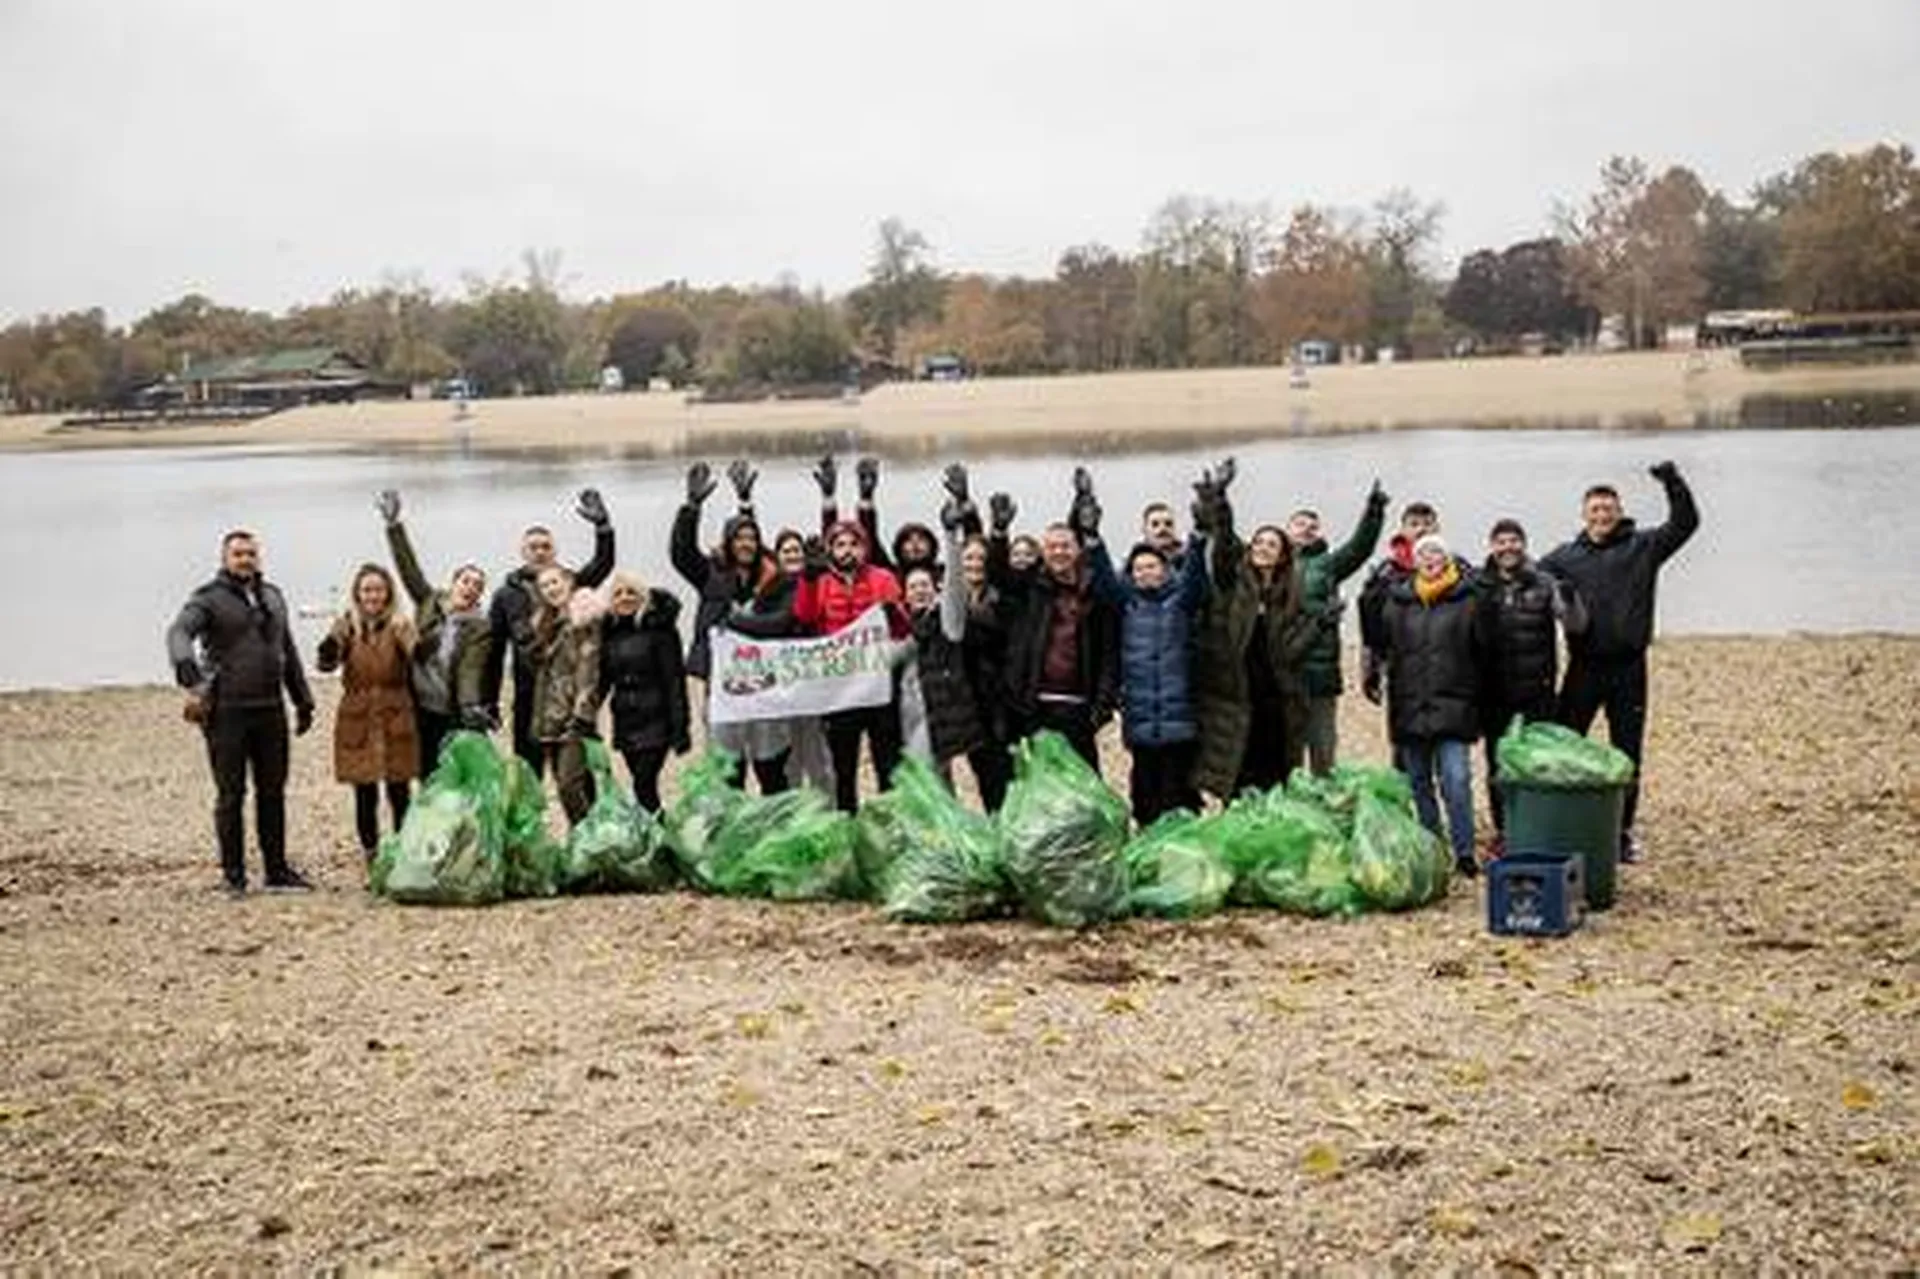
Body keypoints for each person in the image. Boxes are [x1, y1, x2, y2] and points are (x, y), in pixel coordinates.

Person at [1540, 461, 1700, 863]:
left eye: (1607, 509)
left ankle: (1622, 832)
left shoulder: (1643, 547)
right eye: (1594, 510)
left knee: (1627, 752)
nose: (1601, 516)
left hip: (1629, 667)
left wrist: (1672, 482)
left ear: (1619, 511)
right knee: (1564, 744)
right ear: (1584, 514)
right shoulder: (1564, 557)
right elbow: (1525, 576)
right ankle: (1564, 819)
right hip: (1583, 667)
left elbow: (1685, 524)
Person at [167, 530, 316, 896]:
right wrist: (188, 672)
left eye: (251, 553)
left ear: (258, 557)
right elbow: (178, 632)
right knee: (230, 795)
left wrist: (302, 698)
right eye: (238, 554)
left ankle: (277, 872)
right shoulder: (208, 600)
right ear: (225, 558)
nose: (245, 559)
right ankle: (233, 876)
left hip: (270, 710)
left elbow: (288, 649)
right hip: (227, 711)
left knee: (273, 793)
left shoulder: (273, 596)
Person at [1085, 480, 1210, 825]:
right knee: (1144, 789)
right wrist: (1093, 538)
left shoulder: (1180, 602)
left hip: (1179, 716)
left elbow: (1197, 577)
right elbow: (1103, 577)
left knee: (1179, 788)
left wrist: (1199, 535)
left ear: (1166, 569)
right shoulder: (1126, 603)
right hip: (1140, 717)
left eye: (1152, 566)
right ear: (1132, 574)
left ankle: (1183, 850)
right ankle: (1148, 845)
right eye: (1139, 568)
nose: (1145, 572)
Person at [1191, 468, 1321, 799]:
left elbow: (1292, 654)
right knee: (1236, 779)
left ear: (1283, 554)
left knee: (1276, 779)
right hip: (1237, 700)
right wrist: (1221, 503)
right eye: (1259, 542)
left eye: (1272, 544)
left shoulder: (1291, 595)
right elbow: (1223, 544)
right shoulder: (1232, 584)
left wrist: (1319, 625)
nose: (1263, 548)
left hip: (1279, 703)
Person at [671, 461, 798, 794]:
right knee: (729, 773)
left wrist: (741, 622)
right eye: (738, 538)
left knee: (772, 771)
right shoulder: (712, 576)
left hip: (766, 689)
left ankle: (775, 834)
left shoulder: (776, 583)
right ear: (728, 543)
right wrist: (691, 507)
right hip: (723, 690)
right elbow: (681, 554)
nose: (746, 543)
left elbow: (784, 621)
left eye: (751, 538)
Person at [985, 472, 1120, 767]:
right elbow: (997, 575)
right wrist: (998, 531)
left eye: (1065, 546)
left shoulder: (1093, 591)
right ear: (1043, 553)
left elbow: (1109, 651)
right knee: (1040, 783)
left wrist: (1103, 704)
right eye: (1052, 547)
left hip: (1079, 706)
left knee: (1084, 786)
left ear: (1077, 550)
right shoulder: (1031, 586)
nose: (1059, 552)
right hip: (1035, 703)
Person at [1378, 533, 1491, 877]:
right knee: (1418, 782)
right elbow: (1384, 644)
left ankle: (1465, 850)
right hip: (1410, 706)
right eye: (1423, 553)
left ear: (1448, 559)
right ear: (1414, 560)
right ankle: (1433, 847)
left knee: (1456, 780)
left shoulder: (1468, 598)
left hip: (1454, 706)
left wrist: (1480, 701)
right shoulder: (1398, 600)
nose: (1430, 559)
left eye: (1437, 553)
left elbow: (1484, 651)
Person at [483, 490, 615, 774]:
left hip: (569, 698)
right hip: (528, 696)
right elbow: (494, 652)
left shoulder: (570, 583)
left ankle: (584, 819)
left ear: (554, 551)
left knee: (575, 778)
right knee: (528, 776)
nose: (540, 552)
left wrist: (603, 528)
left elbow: (602, 565)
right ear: (522, 552)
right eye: (533, 547)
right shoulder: (506, 596)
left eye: (545, 546)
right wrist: (489, 700)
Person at [1479, 518, 1588, 850]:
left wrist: (1570, 598)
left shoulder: (1545, 583)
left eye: (1514, 541)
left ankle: (1538, 825)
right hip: (1494, 693)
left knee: (1538, 763)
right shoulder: (1480, 585)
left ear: (1523, 545)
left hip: (1537, 691)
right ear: (1492, 547)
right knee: (1498, 766)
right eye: (1501, 542)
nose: (1508, 547)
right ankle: (1503, 831)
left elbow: (1577, 625)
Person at [794, 515, 907, 812]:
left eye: (854, 544)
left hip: (879, 688)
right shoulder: (819, 581)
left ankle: (888, 824)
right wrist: (806, 578)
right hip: (839, 693)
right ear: (830, 550)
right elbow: (803, 618)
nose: (847, 550)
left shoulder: (883, 578)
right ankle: (847, 821)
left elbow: (901, 629)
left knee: (888, 763)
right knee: (843, 768)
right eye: (840, 544)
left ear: (864, 548)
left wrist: (893, 613)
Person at [378, 491, 492, 774]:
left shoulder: (480, 628)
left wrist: (469, 706)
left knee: (457, 778)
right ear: (453, 584)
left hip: (451, 711)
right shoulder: (428, 602)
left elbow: (471, 669)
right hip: (418, 708)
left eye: (477, 585)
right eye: (466, 581)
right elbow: (408, 569)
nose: (470, 587)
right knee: (425, 773)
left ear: (479, 596)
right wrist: (394, 526)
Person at [315, 563, 418, 863]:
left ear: (388, 594)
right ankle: (371, 853)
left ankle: (403, 849)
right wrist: (328, 647)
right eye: (367, 590)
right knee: (364, 792)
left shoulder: (400, 624)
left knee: (399, 790)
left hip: (395, 710)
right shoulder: (346, 625)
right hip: (357, 714)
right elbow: (326, 665)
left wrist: (410, 638)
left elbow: (420, 660)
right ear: (357, 594)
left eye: (378, 590)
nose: (373, 596)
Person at [1288, 481, 1389, 774]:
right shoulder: (1271, 563)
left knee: (1323, 752)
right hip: (1282, 675)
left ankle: (1324, 810)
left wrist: (1373, 512)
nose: (1306, 529)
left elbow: (1361, 547)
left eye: (1312, 525)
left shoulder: (1329, 565)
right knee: (1286, 755)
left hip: (1320, 675)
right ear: (1288, 529)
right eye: (1300, 524)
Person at [595, 571, 690, 813]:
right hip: (626, 719)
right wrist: (586, 714)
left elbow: (674, 681)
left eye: (631, 593)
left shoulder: (660, 631)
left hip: (656, 718)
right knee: (641, 786)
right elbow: (603, 681)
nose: (625, 598)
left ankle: (662, 843)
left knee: (644, 783)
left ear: (643, 598)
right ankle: (655, 839)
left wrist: (681, 727)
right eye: (618, 594)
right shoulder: (609, 634)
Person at [896, 515, 983, 779]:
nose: (919, 591)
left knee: (933, 778)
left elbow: (955, 590)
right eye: (913, 587)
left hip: (939, 712)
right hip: (907, 713)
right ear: (905, 595)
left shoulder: (947, 623)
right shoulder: (900, 628)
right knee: (926, 779)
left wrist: (951, 537)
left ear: (935, 590)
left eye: (925, 585)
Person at [527, 566, 602, 824]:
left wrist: (582, 713)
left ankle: (586, 844)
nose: (550, 589)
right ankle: (590, 846)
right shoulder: (548, 624)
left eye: (554, 582)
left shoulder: (583, 618)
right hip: (550, 718)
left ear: (569, 582)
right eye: (545, 586)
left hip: (574, 718)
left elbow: (589, 668)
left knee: (569, 786)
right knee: (573, 787)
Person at [1359, 500, 1443, 705]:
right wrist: (1369, 671)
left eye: (1427, 524)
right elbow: (1370, 627)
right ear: (1403, 530)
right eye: (1414, 524)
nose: (1422, 529)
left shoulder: (1457, 568)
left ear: (1438, 529)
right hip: (1399, 665)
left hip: (1446, 665)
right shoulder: (1385, 573)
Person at [1140, 501, 1183, 568]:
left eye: (1168, 524)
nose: (1163, 529)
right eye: (1155, 524)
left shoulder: (1188, 558)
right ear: (1144, 530)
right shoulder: (1133, 564)